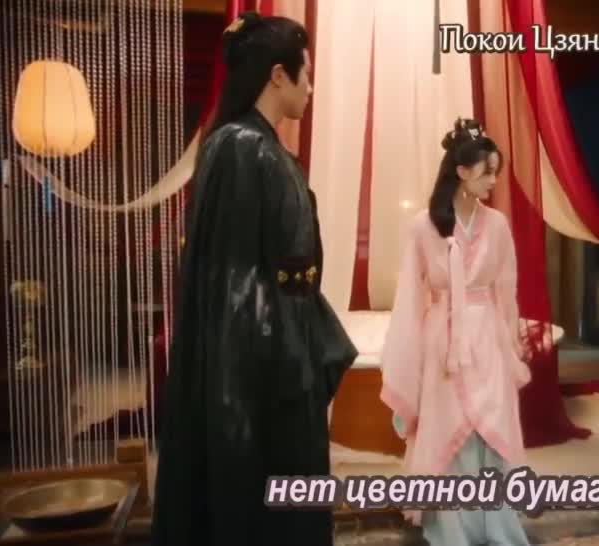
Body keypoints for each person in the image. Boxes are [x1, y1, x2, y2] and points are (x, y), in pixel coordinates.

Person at [151, 12, 358, 546]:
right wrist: (251, 382)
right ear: (278, 75)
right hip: (260, 367)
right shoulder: (241, 148)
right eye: (306, 74)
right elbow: (234, 281)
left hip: (285, 348)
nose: (311, 87)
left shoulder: (261, 147)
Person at [379, 118, 533, 546]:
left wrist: (510, 345)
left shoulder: (497, 226)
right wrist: (407, 362)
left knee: (492, 431)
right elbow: (411, 298)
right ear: (462, 171)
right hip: (443, 342)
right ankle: (453, 531)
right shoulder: (422, 226)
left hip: (487, 340)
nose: (494, 180)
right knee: (451, 430)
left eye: (496, 171)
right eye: (488, 171)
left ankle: (497, 527)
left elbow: (506, 291)